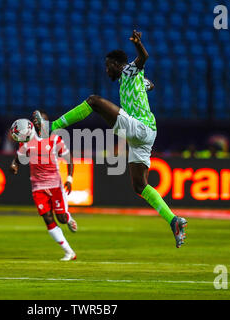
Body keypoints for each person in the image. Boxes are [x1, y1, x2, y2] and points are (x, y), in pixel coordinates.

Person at [33, 30, 187, 248]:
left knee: (94, 101)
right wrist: (147, 84)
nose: (106, 71)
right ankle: (174, 221)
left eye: (108, 66)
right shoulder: (134, 79)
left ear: (117, 64)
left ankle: (51, 127)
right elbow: (149, 84)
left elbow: (144, 59)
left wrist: (138, 45)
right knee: (140, 185)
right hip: (145, 135)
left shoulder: (128, 71)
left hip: (140, 128)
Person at [10, 111, 78, 261]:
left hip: (55, 184)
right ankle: (69, 252)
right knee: (47, 218)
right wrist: (14, 164)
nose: (38, 122)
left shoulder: (54, 139)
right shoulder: (26, 140)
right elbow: (19, 157)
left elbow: (68, 158)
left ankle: (68, 217)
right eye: (37, 120)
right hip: (37, 186)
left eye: (42, 120)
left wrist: (69, 178)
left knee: (61, 218)